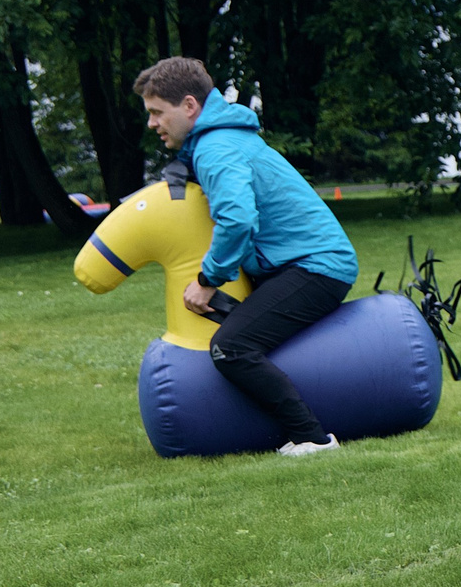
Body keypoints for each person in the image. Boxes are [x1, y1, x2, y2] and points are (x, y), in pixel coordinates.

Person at [135, 58, 360, 455]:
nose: (152, 123)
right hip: (293, 265)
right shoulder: (217, 141)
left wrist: (207, 281)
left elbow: (237, 220)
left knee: (232, 347)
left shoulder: (216, 148)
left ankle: (312, 438)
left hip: (316, 267)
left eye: (157, 112)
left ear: (189, 106)